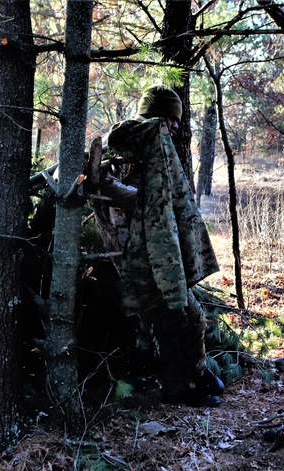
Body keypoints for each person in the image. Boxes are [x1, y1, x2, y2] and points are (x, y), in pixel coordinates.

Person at [104, 85, 224, 408]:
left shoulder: (150, 145)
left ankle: (190, 377)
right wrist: (145, 203)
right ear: (158, 116)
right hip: (137, 255)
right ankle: (180, 387)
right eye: (171, 120)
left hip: (152, 252)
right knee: (180, 316)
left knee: (185, 315)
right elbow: (106, 187)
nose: (175, 127)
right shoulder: (133, 145)